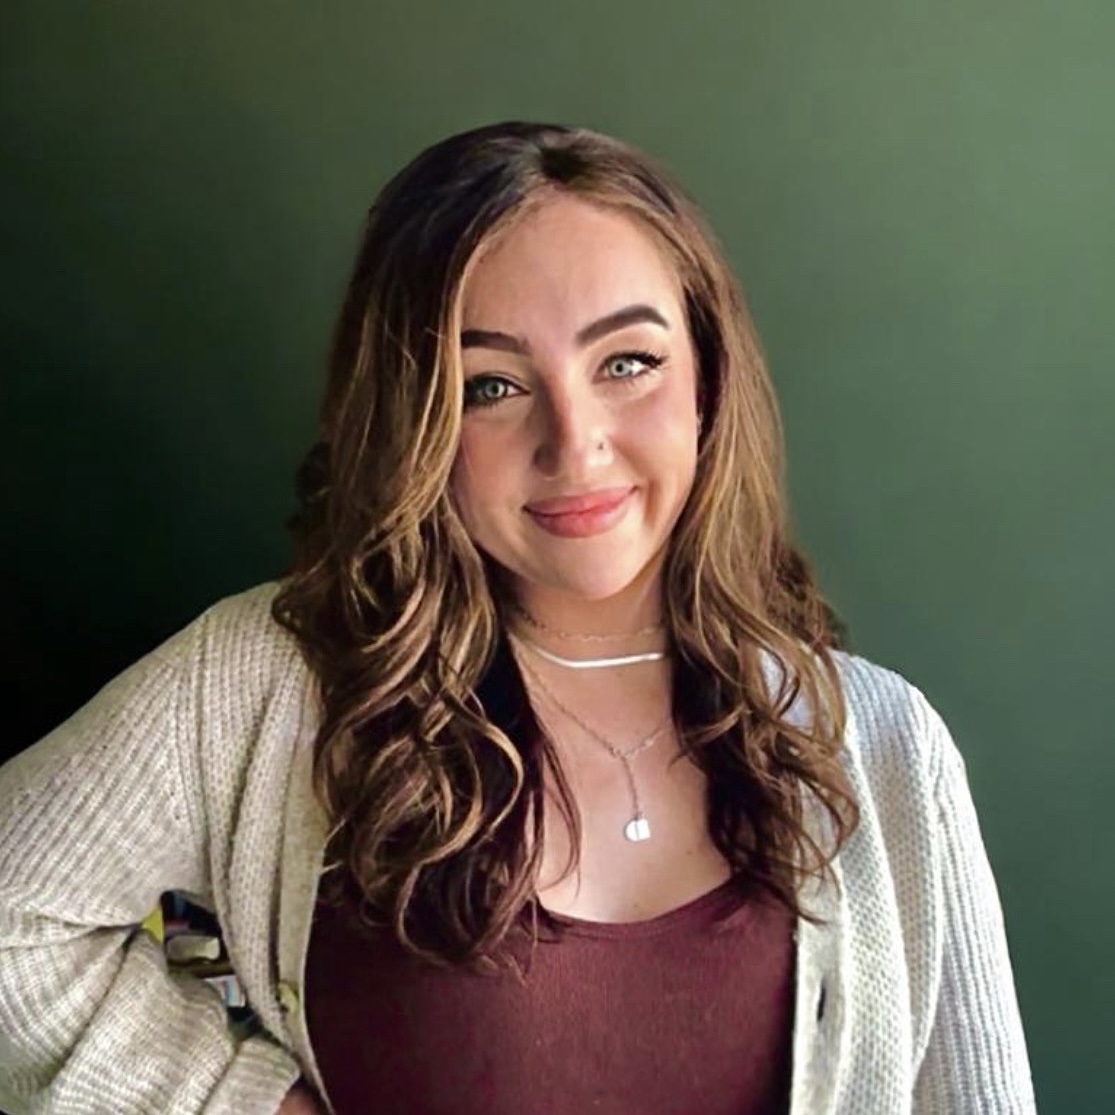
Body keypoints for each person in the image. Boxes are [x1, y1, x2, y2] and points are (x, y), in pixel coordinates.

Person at [0, 121, 1035, 1115]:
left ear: (708, 383)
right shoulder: (268, 681)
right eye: (490, 384)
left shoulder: (881, 748)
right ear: (414, 422)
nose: (573, 442)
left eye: (626, 362)